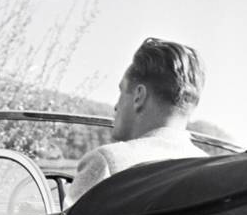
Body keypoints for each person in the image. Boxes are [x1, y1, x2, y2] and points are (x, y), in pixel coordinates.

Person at [65, 37, 207, 206]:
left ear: (139, 96)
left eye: (122, 91)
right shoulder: (210, 171)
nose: (116, 106)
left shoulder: (107, 163)